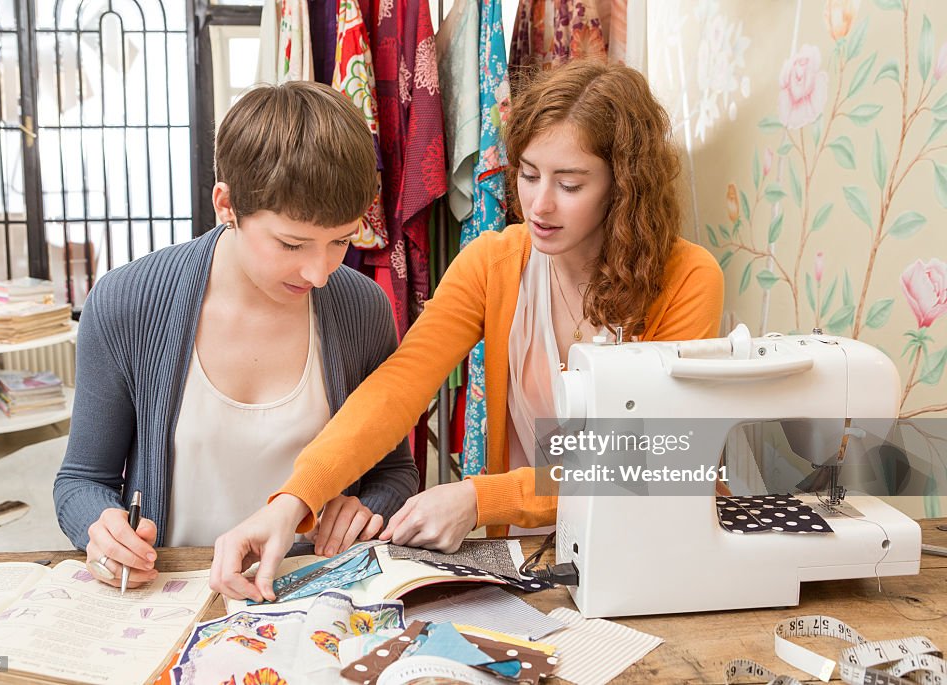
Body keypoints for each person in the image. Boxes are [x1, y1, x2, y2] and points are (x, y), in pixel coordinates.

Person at [209, 59, 725, 600]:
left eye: (569, 185)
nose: (539, 204)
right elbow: (398, 387)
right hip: (533, 562)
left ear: (624, 187)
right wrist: (296, 499)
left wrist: (483, 498)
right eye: (527, 175)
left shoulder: (686, 279)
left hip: (661, 556)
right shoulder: (494, 263)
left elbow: (656, 456)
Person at [53, 81, 418, 595]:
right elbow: (80, 481)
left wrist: (365, 508)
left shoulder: (361, 307)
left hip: (312, 592)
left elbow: (396, 471)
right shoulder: (126, 302)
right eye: (292, 243)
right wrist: (103, 530)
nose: (319, 272)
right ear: (226, 204)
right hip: (170, 595)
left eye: (341, 240)